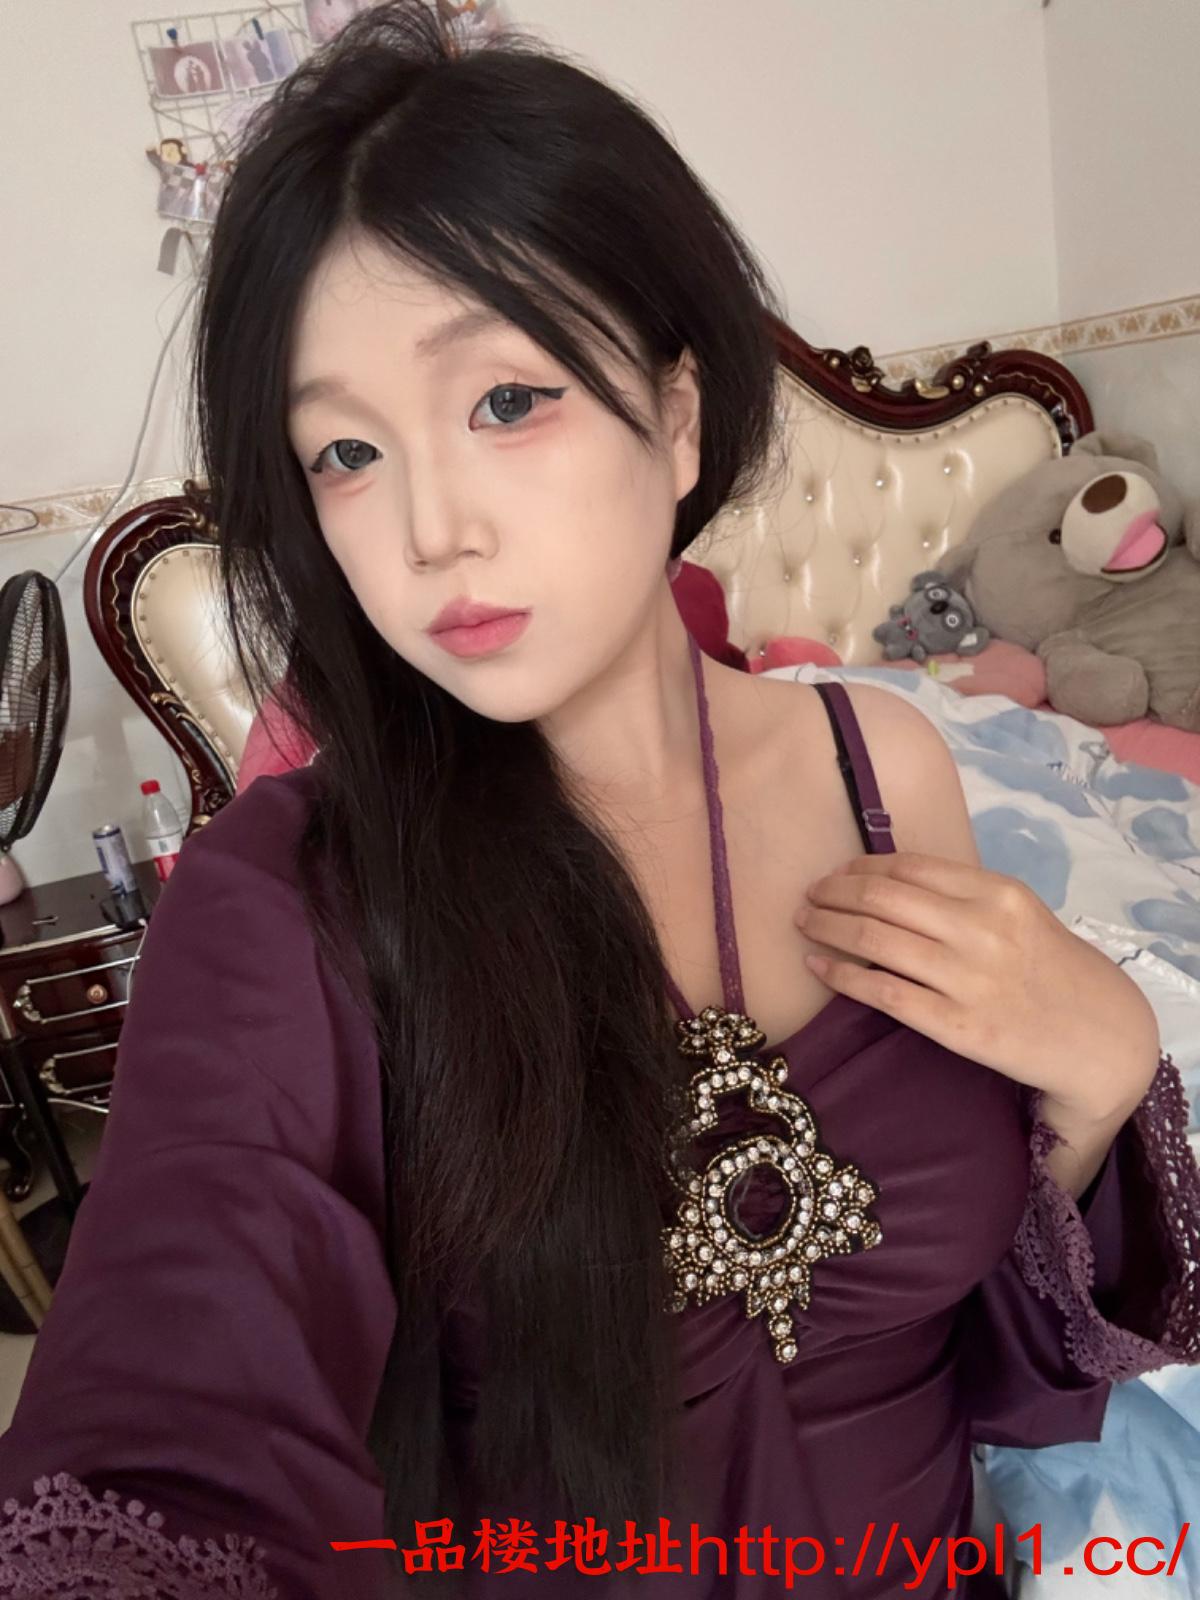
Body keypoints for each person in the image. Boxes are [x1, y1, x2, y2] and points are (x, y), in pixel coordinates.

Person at [2, 4, 1197, 1597]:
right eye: (346, 452)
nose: (431, 530)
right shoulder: (287, 901)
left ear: (678, 412)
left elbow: (976, 1329)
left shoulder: (883, 768)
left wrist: (1105, 1077)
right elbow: (170, 1418)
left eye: (506, 402)